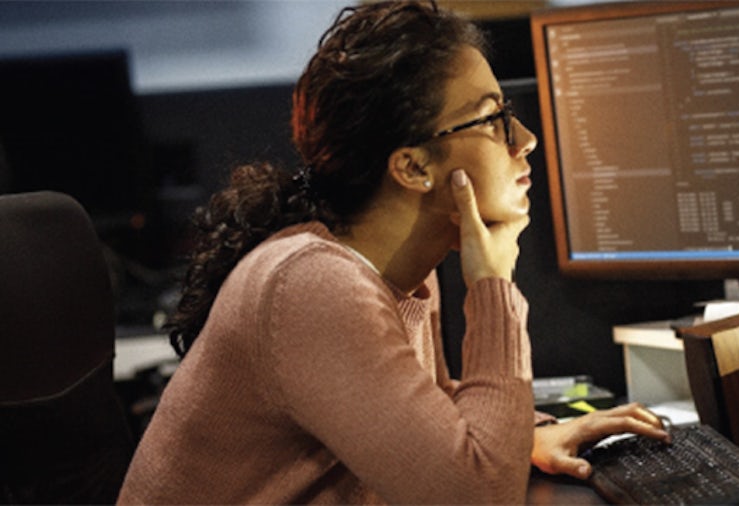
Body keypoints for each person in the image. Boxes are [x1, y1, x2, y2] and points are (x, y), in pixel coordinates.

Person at [117, 1, 670, 504]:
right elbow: (475, 496)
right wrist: (493, 286)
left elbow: (420, 423)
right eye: (494, 118)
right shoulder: (313, 287)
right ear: (412, 167)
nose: (524, 138)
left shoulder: (397, 272)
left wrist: (520, 438)